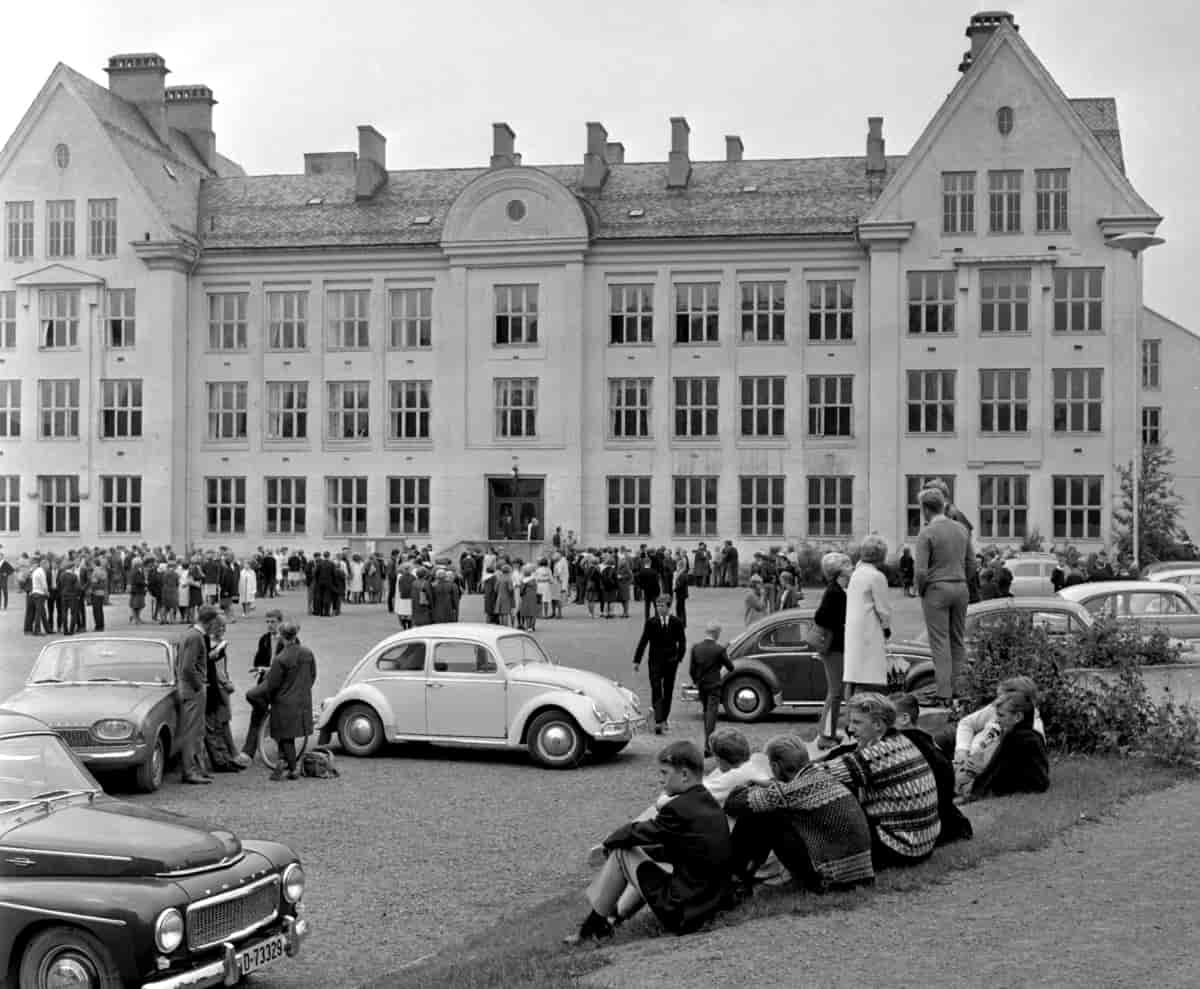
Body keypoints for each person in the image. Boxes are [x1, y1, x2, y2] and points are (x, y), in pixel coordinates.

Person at [565, 741, 732, 945]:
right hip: (712, 904)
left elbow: (636, 832)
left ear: (685, 775)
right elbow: (674, 847)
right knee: (646, 861)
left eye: (664, 773)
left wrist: (607, 844)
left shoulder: (678, 808)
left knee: (622, 853)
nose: (660, 780)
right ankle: (614, 918)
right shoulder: (708, 802)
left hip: (685, 913)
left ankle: (593, 928)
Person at [724, 734, 875, 895]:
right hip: (860, 875)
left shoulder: (795, 789)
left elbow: (733, 804)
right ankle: (738, 876)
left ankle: (732, 878)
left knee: (764, 816)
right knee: (771, 811)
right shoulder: (823, 777)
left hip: (831, 881)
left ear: (775, 766)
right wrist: (771, 786)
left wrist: (751, 785)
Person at [821, 693, 940, 869]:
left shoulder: (878, 754)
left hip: (901, 849)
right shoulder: (901, 741)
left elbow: (817, 776)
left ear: (877, 724)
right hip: (922, 843)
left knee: (814, 803)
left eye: (857, 723)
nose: (850, 729)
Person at [914, 487, 976, 706]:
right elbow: (972, 563)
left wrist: (921, 590)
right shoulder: (961, 529)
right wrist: (962, 580)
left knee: (939, 642)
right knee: (957, 640)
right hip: (960, 587)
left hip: (937, 588)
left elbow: (921, 571)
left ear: (925, 509)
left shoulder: (927, 532)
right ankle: (961, 688)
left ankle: (944, 693)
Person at [890, 693, 973, 845]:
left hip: (930, 829)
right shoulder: (926, 741)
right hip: (951, 823)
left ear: (904, 719)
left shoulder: (903, 749)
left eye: (884, 719)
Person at [963, 691, 1050, 800]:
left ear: (1018, 716)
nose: (997, 720)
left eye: (1001, 715)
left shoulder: (1013, 738)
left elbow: (993, 771)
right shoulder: (1036, 736)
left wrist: (975, 790)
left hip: (1023, 786)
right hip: (1037, 784)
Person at [264, 621, 317, 781]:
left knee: (285, 735)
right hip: (302, 698)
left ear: (281, 636)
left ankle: (292, 768)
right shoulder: (307, 653)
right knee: (287, 734)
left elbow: (272, 684)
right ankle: (282, 761)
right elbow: (313, 675)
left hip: (284, 701)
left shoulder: (281, 658)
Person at [843, 535, 893, 697]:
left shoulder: (856, 574)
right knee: (869, 676)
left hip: (853, 630)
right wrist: (886, 628)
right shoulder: (876, 576)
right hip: (869, 630)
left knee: (854, 675)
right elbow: (883, 608)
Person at [812, 552, 853, 749]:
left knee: (836, 692)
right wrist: (841, 625)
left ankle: (829, 731)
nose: (851, 567)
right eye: (847, 564)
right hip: (833, 648)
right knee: (835, 692)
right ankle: (825, 735)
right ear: (839, 570)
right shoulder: (834, 592)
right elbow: (820, 617)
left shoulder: (838, 590)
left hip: (837, 647)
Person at [176, 605, 220, 784]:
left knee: (197, 731)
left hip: (190, 689)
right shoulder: (195, 637)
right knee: (191, 733)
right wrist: (199, 685)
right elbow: (188, 667)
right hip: (193, 690)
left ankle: (198, 768)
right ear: (209, 622)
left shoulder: (190, 633)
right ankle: (190, 770)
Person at [236, 609, 285, 767]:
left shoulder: (288, 640)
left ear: (280, 622)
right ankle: (247, 752)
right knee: (257, 714)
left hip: (280, 685)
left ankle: (283, 749)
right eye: (268, 622)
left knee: (277, 715)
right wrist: (259, 669)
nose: (270, 625)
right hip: (265, 682)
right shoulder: (264, 639)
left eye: (273, 622)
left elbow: (288, 666)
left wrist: (268, 669)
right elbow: (258, 660)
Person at [633, 596, 687, 734]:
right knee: (656, 688)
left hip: (671, 661)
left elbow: (682, 641)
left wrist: (678, 658)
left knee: (668, 690)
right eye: (657, 606)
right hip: (655, 661)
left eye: (662, 606)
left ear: (668, 607)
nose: (659, 608)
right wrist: (637, 660)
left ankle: (664, 718)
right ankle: (658, 720)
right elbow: (644, 640)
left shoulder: (676, 622)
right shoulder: (651, 622)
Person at [203, 617, 243, 772]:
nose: (222, 629)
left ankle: (226, 752)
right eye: (219, 626)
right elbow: (218, 670)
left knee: (220, 720)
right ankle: (231, 752)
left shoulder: (213, 643)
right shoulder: (215, 646)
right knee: (223, 719)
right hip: (219, 686)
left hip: (219, 684)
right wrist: (227, 683)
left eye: (223, 626)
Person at [689, 621, 734, 754]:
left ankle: (707, 740)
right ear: (716, 633)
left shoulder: (696, 647)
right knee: (711, 714)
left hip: (702, 685)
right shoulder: (719, 649)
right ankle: (708, 745)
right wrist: (724, 653)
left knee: (705, 712)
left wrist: (696, 681)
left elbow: (692, 669)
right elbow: (731, 667)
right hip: (714, 685)